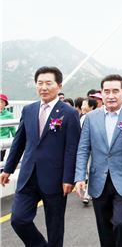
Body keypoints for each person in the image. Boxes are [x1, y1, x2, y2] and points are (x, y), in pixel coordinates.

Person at [0, 66, 80, 246]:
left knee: (55, 227)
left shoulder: (69, 113)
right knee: (18, 220)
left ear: (59, 86)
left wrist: (69, 178)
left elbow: (71, 149)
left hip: (55, 179)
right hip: (28, 176)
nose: (43, 87)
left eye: (48, 83)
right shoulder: (28, 110)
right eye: (40, 83)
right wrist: (8, 168)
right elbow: (19, 142)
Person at [74, 74, 122, 246]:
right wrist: (79, 177)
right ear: (101, 94)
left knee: (121, 223)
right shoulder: (91, 118)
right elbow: (83, 149)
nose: (111, 95)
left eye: (115, 91)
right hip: (98, 178)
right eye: (107, 91)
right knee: (104, 226)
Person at [0, 94, 16, 162]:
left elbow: (12, 129)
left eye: (2, 102)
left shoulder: (9, 115)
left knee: (1, 159)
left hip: (3, 140)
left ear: (5, 104)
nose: (0, 104)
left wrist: (16, 140)